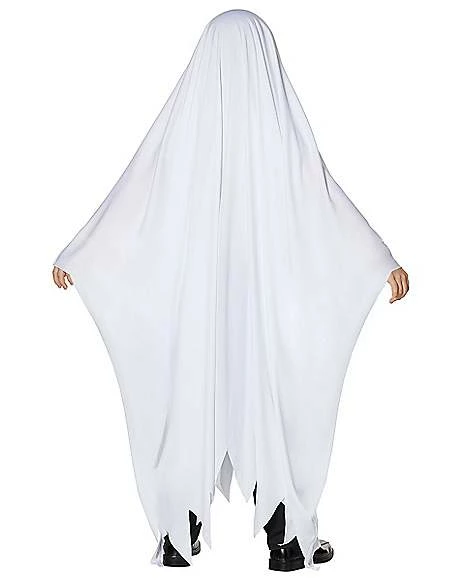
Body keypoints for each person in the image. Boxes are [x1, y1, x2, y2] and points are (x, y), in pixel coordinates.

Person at [52, 9, 409, 572]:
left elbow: (135, 195)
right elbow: (322, 197)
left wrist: (82, 253)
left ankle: (180, 532)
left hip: (196, 310)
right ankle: (285, 539)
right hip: (263, 312)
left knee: (192, 399)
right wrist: (378, 259)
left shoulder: (182, 132)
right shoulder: (279, 135)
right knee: (270, 402)